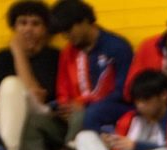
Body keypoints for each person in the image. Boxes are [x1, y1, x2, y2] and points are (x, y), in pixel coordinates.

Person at [0, 1, 60, 150]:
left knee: (11, 84)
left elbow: (36, 96)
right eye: (22, 23)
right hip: (2, 110)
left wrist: (18, 53)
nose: (28, 29)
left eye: (35, 24)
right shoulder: (2, 56)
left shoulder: (53, 56)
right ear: (14, 27)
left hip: (39, 112)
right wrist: (11, 99)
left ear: (45, 29)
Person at [52, 0, 135, 137]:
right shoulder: (68, 53)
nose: (66, 36)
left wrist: (83, 105)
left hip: (113, 106)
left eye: (69, 30)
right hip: (76, 110)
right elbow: (63, 90)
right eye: (63, 33)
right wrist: (63, 107)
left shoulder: (117, 47)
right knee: (36, 122)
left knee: (86, 115)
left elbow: (123, 92)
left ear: (84, 21)